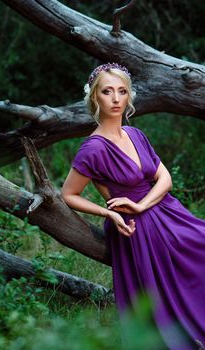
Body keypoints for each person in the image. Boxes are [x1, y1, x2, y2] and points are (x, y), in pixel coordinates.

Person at [61, 62, 205, 349]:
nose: (115, 99)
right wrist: (109, 212)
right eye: (107, 91)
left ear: (129, 97)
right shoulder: (94, 148)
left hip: (166, 211)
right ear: (95, 98)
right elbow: (68, 194)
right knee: (163, 290)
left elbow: (165, 178)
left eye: (122, 91)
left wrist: (142, 204)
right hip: (137, 228)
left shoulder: (136, 135)